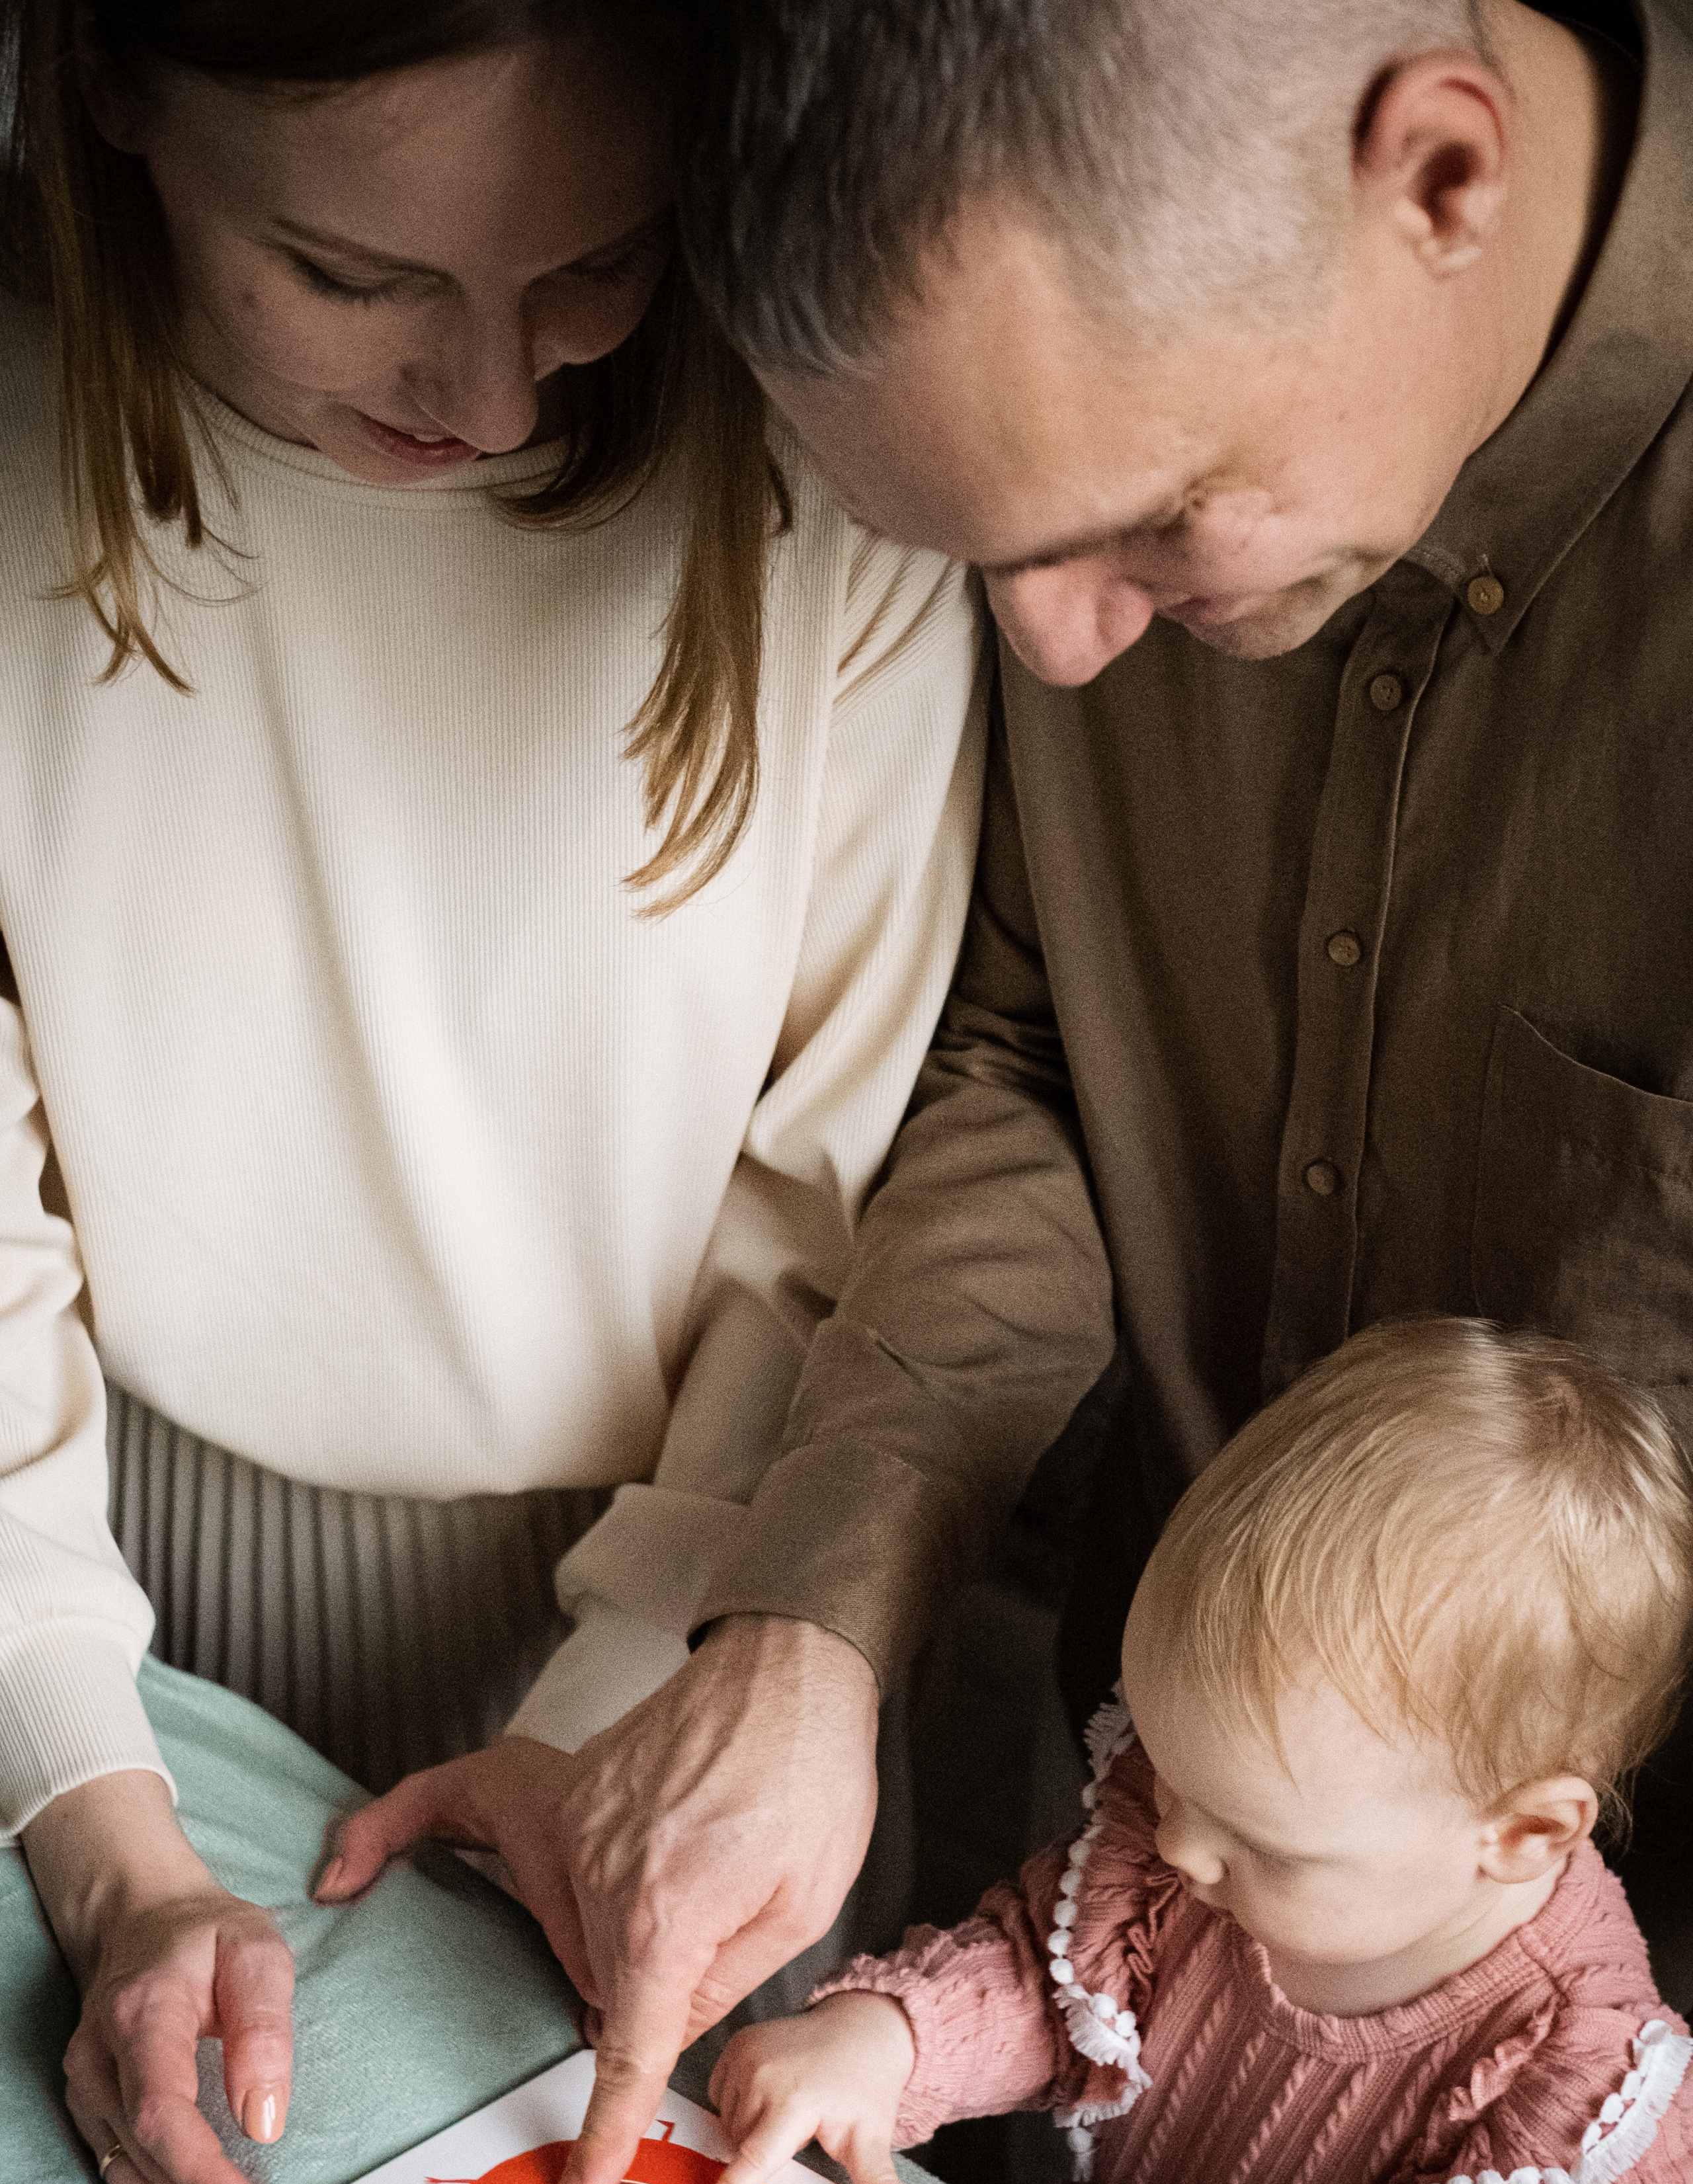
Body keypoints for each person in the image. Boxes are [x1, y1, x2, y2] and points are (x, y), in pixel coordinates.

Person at [4, 0, 985, 2184]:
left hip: (701, 1632)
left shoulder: (829, 469)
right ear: (115, 84)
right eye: (352, 275)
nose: (500, 393)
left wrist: (606, 1738)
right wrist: (99, 1819)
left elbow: (821, 1237)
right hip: (97, 1567)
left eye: (596, 268)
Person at [642, 0, 1693, 2067]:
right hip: (1133, 1912)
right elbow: (1029, 1055)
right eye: (981, 561)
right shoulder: (1087, 458)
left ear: (1445, 179)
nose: (1053, 647)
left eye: (1154, 519)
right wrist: (813, 1620)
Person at [702, 1320, 1693, 2184]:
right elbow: (1044, 1968)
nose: (1177, 1847)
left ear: (1524, 1834)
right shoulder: (1198, 1848)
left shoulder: (1590, 2098)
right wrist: (890, 2037)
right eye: (1169, 1776)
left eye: (1257, 1838)